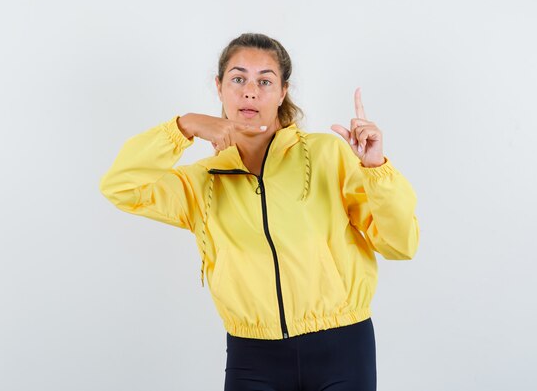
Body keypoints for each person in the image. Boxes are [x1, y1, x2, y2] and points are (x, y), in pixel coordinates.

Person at [99, 32, 420, 391]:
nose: (250, 91)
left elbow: (400, 244)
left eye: (264, 81)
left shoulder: (329, 154)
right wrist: (182, 127)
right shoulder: (202, 181)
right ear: (219, 87)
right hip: (252, 358)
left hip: (342, 348)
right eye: (238, 79)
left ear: (283, 91)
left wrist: (376, 169)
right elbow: (120, 186)